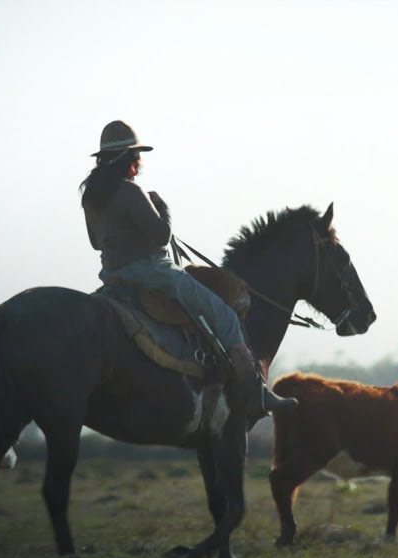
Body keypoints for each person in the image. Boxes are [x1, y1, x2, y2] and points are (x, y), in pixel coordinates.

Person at [81, 120, 296, 416]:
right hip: (151, 273)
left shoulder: (91, 197)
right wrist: (162, 207)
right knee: (224, 315)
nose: (139, 163)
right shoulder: (132, 192)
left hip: (113, 277)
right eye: (137, 157)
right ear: (127, 159)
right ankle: (255, 391)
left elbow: (95, 242)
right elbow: (162, 235)